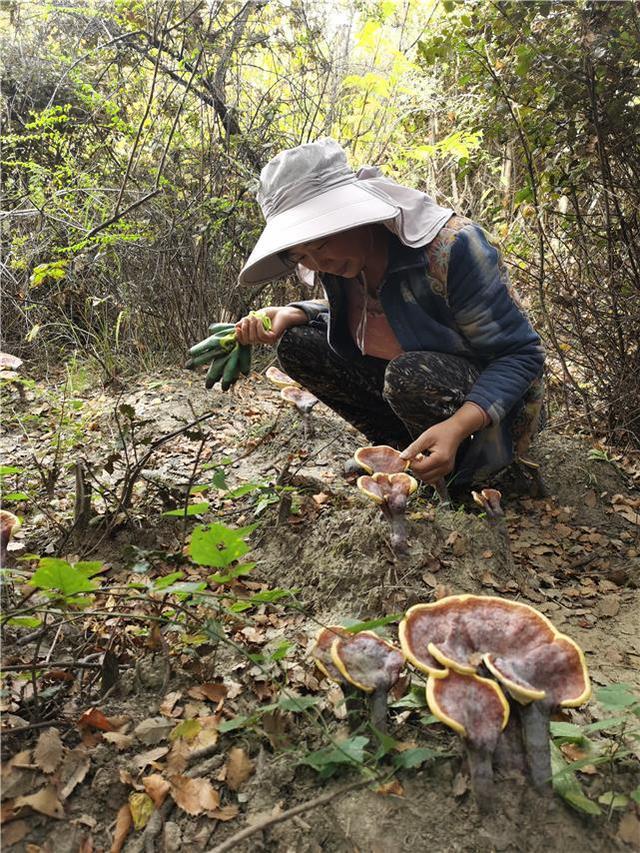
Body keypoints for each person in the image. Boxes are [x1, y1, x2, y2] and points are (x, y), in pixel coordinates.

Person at [232, 138, 545, 489]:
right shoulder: (340, 267)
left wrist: (457, 427)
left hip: (490, 403)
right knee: (297, 344)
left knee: (409, 374)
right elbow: (385, 318)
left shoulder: (452, 250)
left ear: (353, 215)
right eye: (300, 255)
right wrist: (298, 313)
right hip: (419, 390)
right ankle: (403, 454)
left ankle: (469, 470)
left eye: (320, 243)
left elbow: (520, 354)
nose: (319, 264)